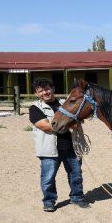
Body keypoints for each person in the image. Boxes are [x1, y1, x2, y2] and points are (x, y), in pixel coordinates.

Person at [29, 77, 90, 212]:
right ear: (36, 94)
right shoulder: (35, 108)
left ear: (53, 89)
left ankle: (77, 197)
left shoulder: (66, 103)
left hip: (71, 147)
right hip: (49, 150)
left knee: (76, 175)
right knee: (48, 178)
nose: (45, 92)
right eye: (41, 91)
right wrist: (70, 124)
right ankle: (49, 201)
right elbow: (44, 125)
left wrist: (76, 122)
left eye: (47, 89)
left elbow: (79, 118)